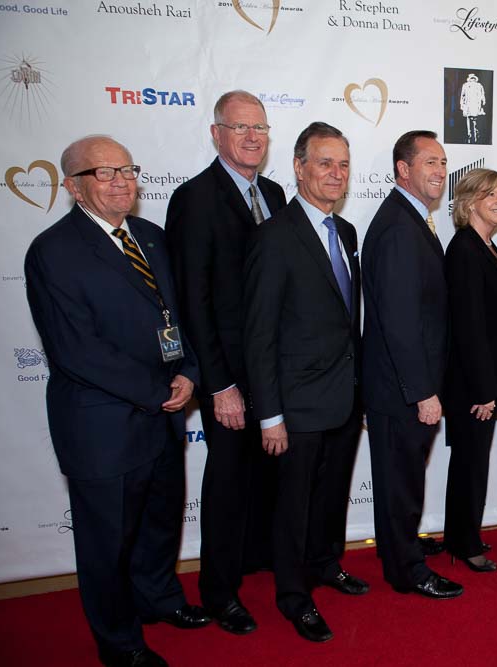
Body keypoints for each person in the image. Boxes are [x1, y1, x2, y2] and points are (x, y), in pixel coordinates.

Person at [25, 136, 209, 667]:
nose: (123, 181)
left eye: (128, 169)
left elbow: (175, 318)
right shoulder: (53, 251)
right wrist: (159, 391)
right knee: (106, 543)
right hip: (103, 427)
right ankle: (119, 642)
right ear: (74, 187)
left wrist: (190, 374)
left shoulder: (150, 237)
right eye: (105, 173)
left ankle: (159, 599)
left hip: (165, 415)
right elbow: (76, 350)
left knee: (159, 522)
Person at [165, 89, 285, 636]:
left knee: (266, 479)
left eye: (259, 127)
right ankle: (218, 592)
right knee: (229, 483)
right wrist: (219, 385)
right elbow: (194, 301)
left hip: (276, 372)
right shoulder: (194, 199)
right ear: (216, 135)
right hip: (230, 377)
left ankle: (252, 560)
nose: (252, 137)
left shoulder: (278, 194)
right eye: (240, 128)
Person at [244, 122, 368, 642]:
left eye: (342, 164)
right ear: (299, 168)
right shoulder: (275, 237)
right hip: (295, 404)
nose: (335, 174)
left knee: (332, 494)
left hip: (343, 396)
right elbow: (259, 333)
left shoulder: (347, 232)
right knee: (292, 507)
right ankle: (294, 596)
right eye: (324, 163)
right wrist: (269, 414)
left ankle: (324, 563)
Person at [361, 130, 462, 598]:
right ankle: (406, 571)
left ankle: (399, 551)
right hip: (403, 388)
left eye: (443, 163)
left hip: (405, 383)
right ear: (403, 169)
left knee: (402, 480)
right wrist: (423, 392)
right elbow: (399, 321)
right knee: (400, 482)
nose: (440, 171)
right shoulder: (400, 227)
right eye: (429, 163)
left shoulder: (412, 219)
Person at [442, 168, 497, 573]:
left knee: (474, 462)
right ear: (469, 203)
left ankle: (462, 533)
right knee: (470, 463)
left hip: (485, 378)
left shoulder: (488, 246)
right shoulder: (466, 249)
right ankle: (464, 543)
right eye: (491, 195)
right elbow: (468, 327)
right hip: (473, 384)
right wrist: (485, 390)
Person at [459, 74, 486, 144]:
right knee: (469, 119)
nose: (472, 80)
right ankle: (470, 134)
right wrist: (462, 105)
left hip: (476, 105)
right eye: (471, 78)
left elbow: (482, 95)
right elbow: (463, 96)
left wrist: (483, 103)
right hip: (469, 105)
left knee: (475, 120)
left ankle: (475, 134)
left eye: (473, 78)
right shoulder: (465, 85)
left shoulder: (479, 85)